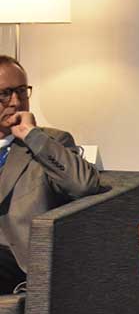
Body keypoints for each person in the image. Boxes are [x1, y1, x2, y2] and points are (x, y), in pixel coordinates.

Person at [0, 55, 100, 293]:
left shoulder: (49, 142)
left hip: (17, 261)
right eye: (4, 93)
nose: (16, 102)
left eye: (22, 91)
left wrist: (31, 135)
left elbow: (84, 185)